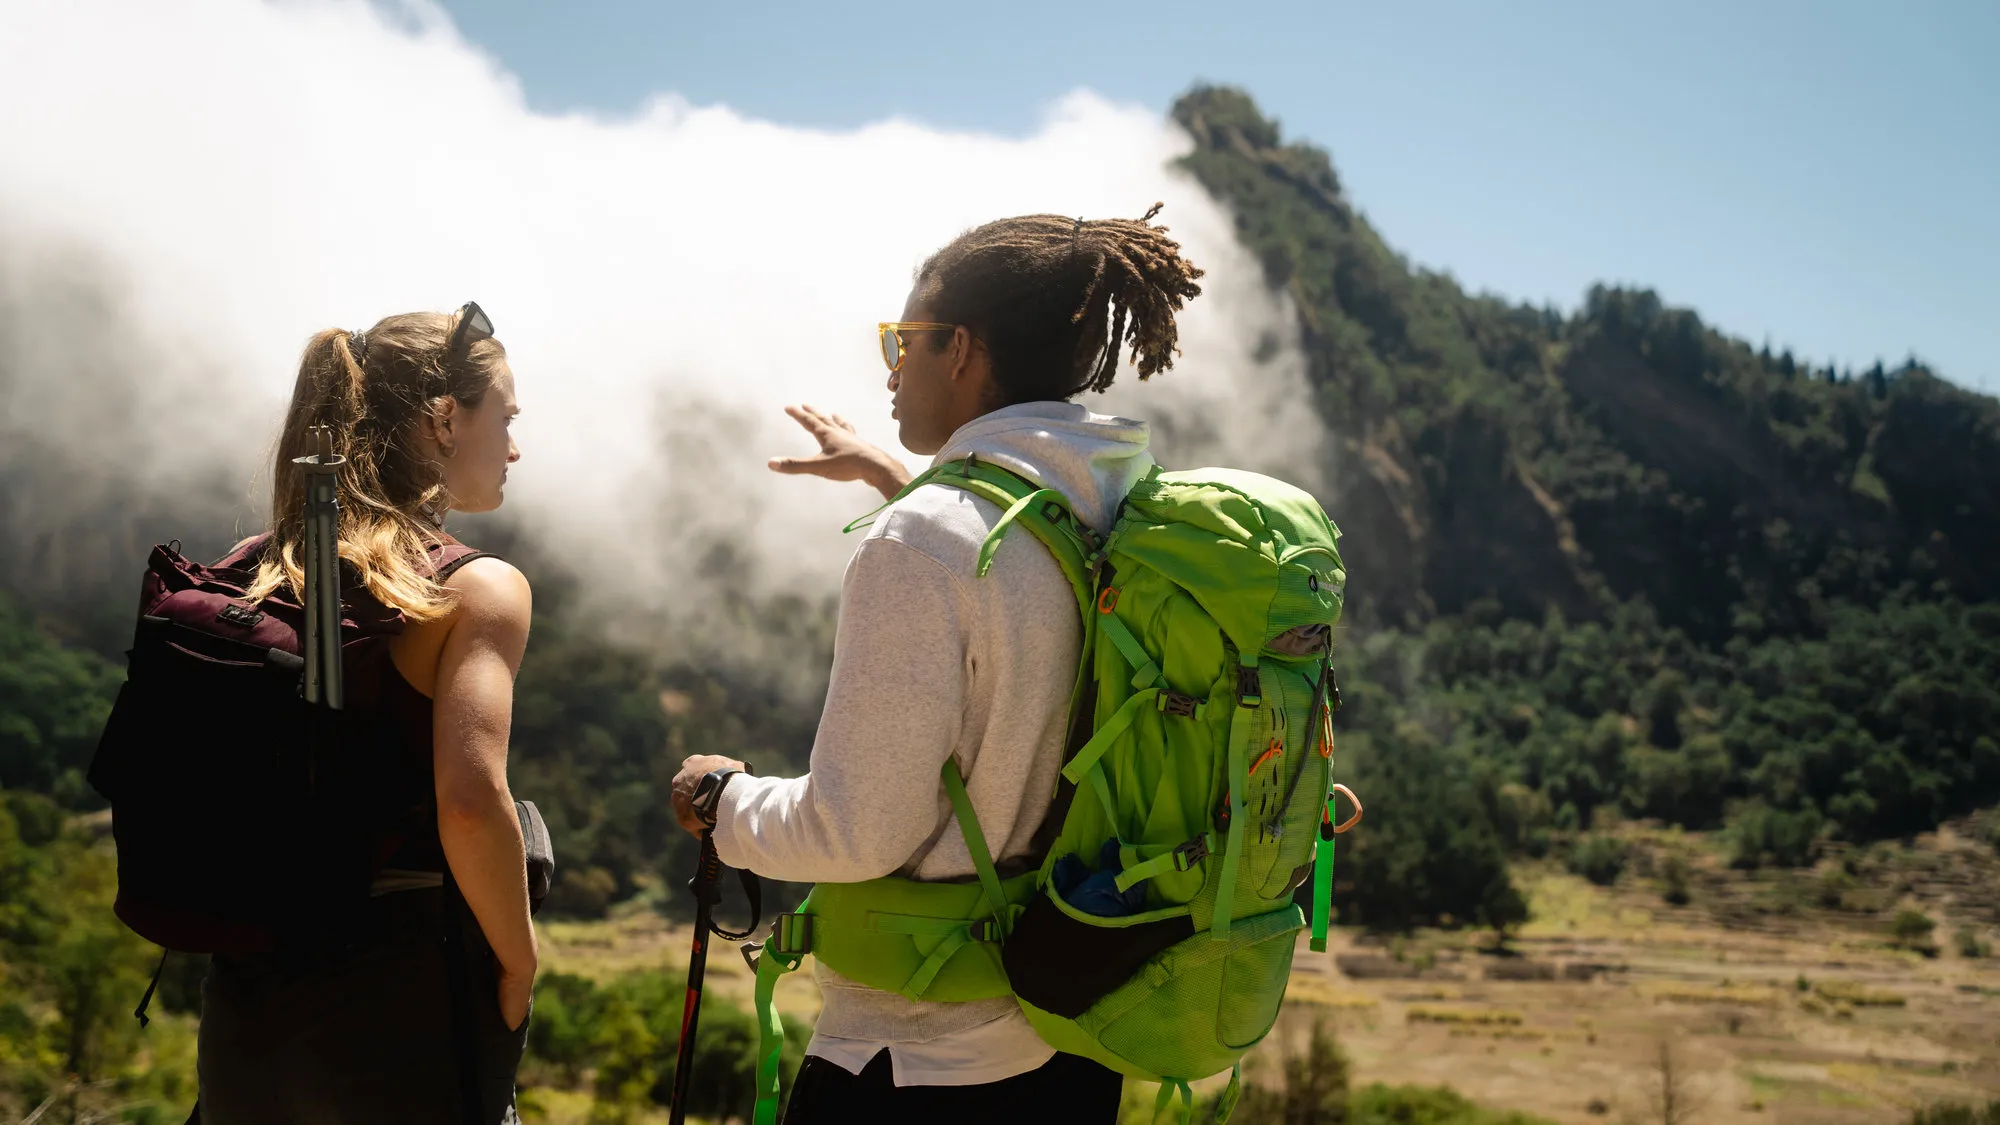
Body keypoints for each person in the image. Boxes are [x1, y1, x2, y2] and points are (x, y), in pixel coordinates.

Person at [671, 207, 1205, 1122]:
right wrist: (893, 476)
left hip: (917, 1054)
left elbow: (855, 831)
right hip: (1076, 1029)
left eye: (903, 339)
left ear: (960, 348)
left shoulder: (920, 542)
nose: (891, 368)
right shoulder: (1125, 501)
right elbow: (1021, 583)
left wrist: (722, 802)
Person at [194, 304, 538, 1124]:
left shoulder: (252, 569)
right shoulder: (473, 588)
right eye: (507, 418)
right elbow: (469, 802)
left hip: (245, 1017)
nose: (515, 446)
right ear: (445, 419)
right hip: (402, 1015)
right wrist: (520, 962)